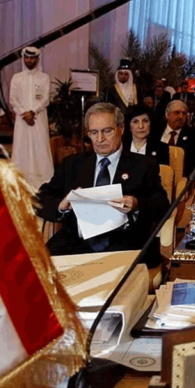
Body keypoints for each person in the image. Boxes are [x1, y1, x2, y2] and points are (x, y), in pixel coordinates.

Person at [37, 103, 169, 266]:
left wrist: (136, 204)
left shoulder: (143, 164)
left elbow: (162, 204)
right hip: (76, 243)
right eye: (94, 132)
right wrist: (61, 206)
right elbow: (40, 198)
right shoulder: (72, 164)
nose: (100, 139)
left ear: (121, 129)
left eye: (107, 131)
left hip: (125, 242)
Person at [9, 47, 53, 189]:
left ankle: (44, 179)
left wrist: (33, 112)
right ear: (23, 59)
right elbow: (13, 99)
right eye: (27, 58)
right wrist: (24, 113)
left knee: (40, 147)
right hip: (22, 120)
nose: (29, 60)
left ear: (37, 59)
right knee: (21, 147)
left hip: (38, 119)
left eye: (32, 58)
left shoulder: (44, 77)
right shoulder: (17, 77)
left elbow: (45, 100)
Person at [160, 100, 195, 177]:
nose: (181, 117)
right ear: (167, 114)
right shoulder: (155, 132)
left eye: (184, 113)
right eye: (177, 113)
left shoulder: (193, 135)